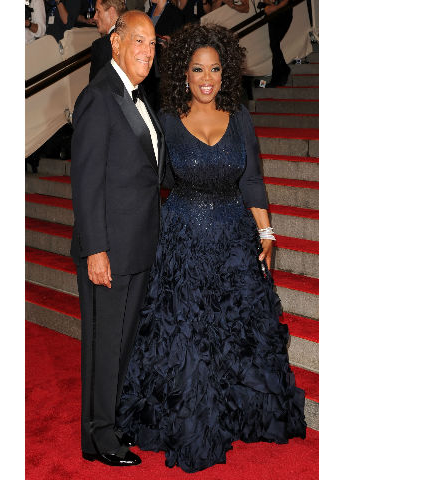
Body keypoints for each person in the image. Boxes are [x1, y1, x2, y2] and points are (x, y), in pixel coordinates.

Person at [116, 23, 307, 473]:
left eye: (215, 69)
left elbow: (252, 180)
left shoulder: (239, 116)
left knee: (237, 337)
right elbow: (147, 182)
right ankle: (192, 424)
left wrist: (267, 234)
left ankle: (236, 414)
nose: (207, 78)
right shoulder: (166, 121)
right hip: (183, 243)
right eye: (198, 69)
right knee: (187, 340)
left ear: (226, 72)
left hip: (233, 243)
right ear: (184, 73)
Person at [70, 10, 166, 467]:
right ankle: (99, 436)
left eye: (153, 43)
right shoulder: (98, 96)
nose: (147, 50)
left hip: (137, 245)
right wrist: (95, 249)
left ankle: (104, 427)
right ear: (116, 43)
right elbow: (86, 181)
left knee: (121, 343)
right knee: (104, 344)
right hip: (108, 248)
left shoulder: (140, 97)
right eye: (139, 41)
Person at [89, 0, 126, 81]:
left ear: (111, 12)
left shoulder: (101, 45)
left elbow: (95, 86)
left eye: (98, 11)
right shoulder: (134, 37)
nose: (95, 17)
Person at [263, 0, 293, 87]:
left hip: (284, 13)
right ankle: (283, 71)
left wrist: (275, 7)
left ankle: (277, 78)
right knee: (274, 45)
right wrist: (270, 4)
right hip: (273, 14)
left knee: (274, 45)